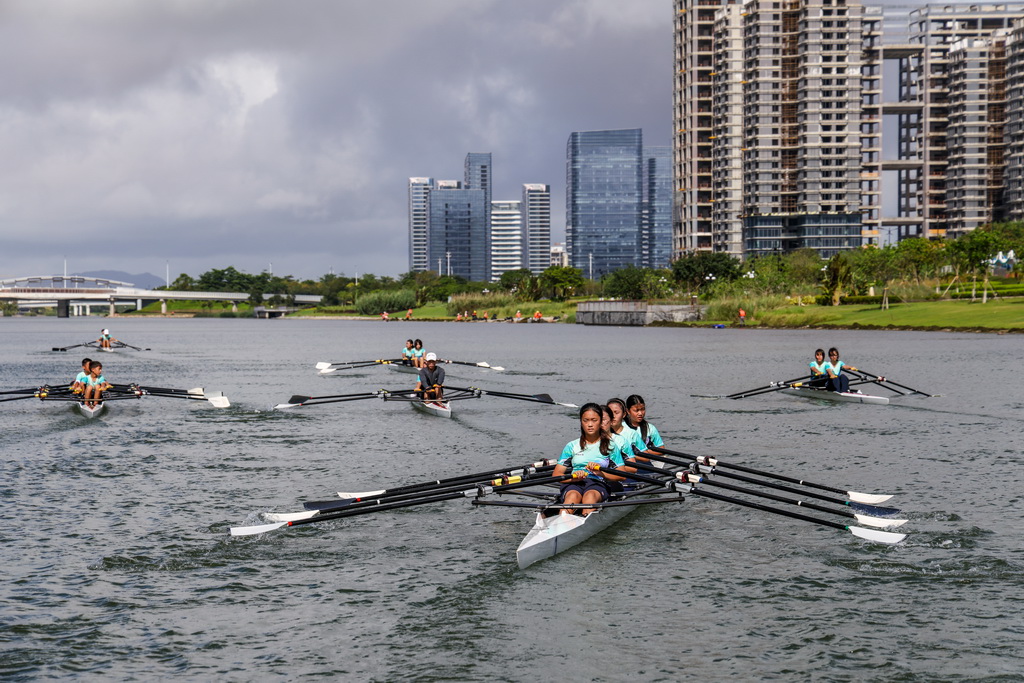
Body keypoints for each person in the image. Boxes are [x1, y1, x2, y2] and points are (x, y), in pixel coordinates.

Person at [552, 403, 628, 516]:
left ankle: (584, 519)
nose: (590, 425)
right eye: (586, 420)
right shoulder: (571, 446)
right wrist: (574, 478)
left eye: (594, 420)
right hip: (574, 483)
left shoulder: (610, 446)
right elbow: (557, 475)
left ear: (601, 421)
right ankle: (562, 522)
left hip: (598, 483)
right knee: (572, 496)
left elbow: (622, 475)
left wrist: (601, 473)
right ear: (581, 422)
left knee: (590, 497)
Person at [623, 394, 665, 463]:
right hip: (628, 466)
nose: (640, 413)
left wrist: (646, 452)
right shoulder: (621, 428)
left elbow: (661, 449)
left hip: (646, 465)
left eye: (642, 409)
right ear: (628, 411)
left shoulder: (650, 428)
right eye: (636, 410)